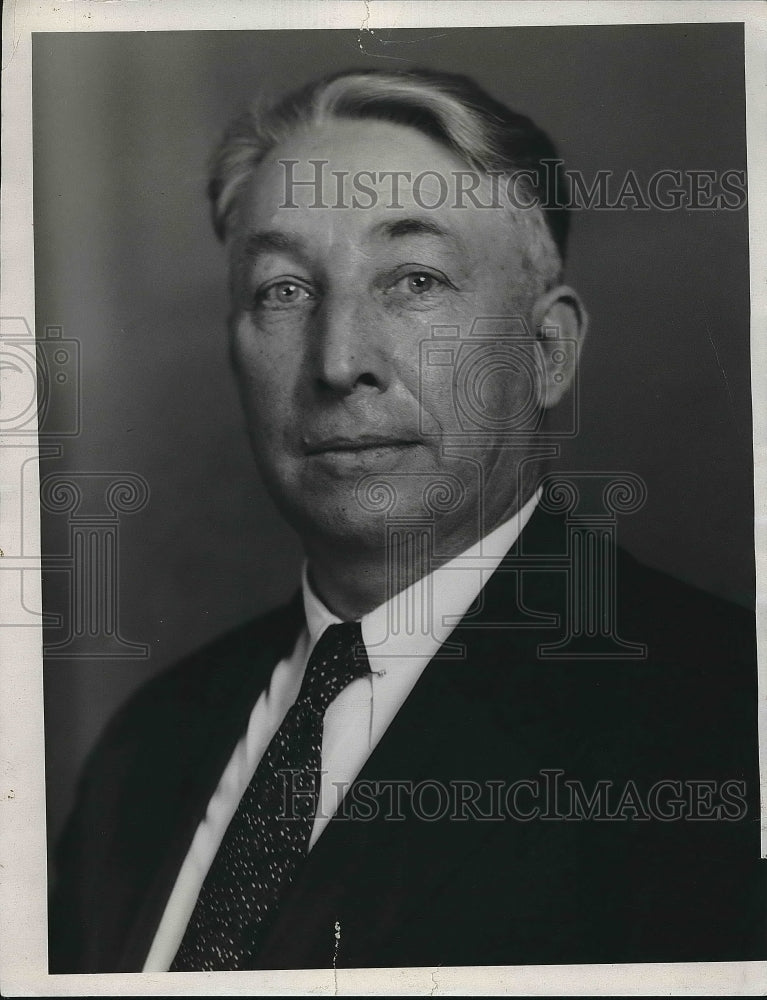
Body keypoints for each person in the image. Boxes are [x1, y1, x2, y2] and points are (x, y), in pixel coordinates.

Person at [49, 67, 763, 973]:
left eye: (415, 279)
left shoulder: (720, 715)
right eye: (282, 290)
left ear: (544, 353)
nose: (339, 360)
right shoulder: (144, 751)